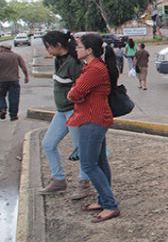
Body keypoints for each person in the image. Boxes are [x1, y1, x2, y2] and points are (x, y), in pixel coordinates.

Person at [67, 34, 120, 223]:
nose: (76, 49)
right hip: (96, 117)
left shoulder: (94, 70)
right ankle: (104, 200)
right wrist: (77, 93)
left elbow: (74, 94)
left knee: (89, 165)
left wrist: (75, 94)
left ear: (89, 50)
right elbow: (78, 92)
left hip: (92, 119)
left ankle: (110, 205)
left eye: (79, 46)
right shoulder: (92, 67)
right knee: (100, 162)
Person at [39, 31, 93, 199]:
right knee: (48, 144)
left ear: (58, 45)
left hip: (74, 111)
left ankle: (84, 184)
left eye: (48, 46)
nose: (47, 50)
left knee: (80, 149)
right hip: (62, 112)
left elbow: (84, 87)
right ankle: (58, 179)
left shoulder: (74, 63)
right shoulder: (59, 60)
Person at [0, 42, 29, 121]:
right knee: (14, 98)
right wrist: (26, 77)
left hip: (1, 81)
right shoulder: (16, 56)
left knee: (1, 95)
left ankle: (2, 109)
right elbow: (23, 67)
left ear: (3, 48)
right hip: (14, 80)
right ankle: (13, 116)